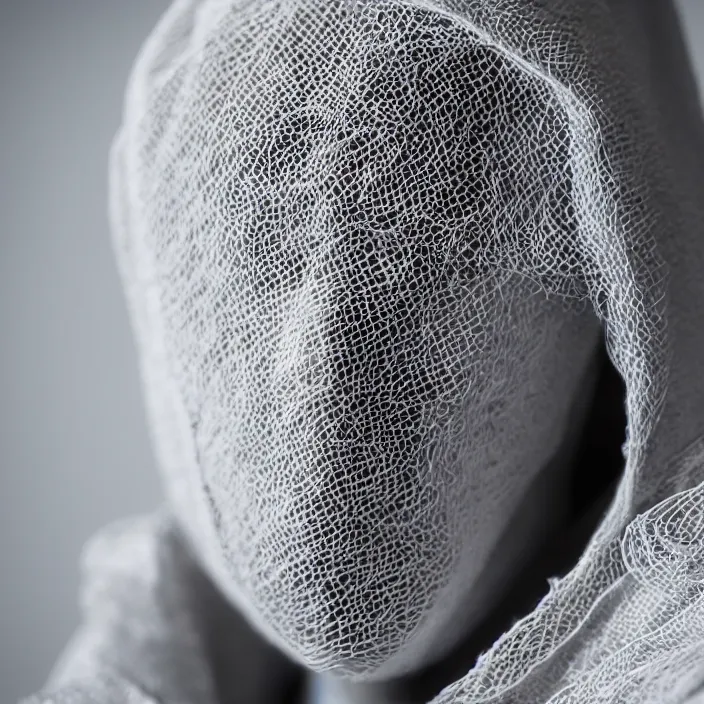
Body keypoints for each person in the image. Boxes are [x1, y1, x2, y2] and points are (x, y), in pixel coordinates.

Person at [21, 0, 704, 702]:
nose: (325, 344)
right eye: (270, 233)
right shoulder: (129, 666)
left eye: (429, 228)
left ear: (613, 270)